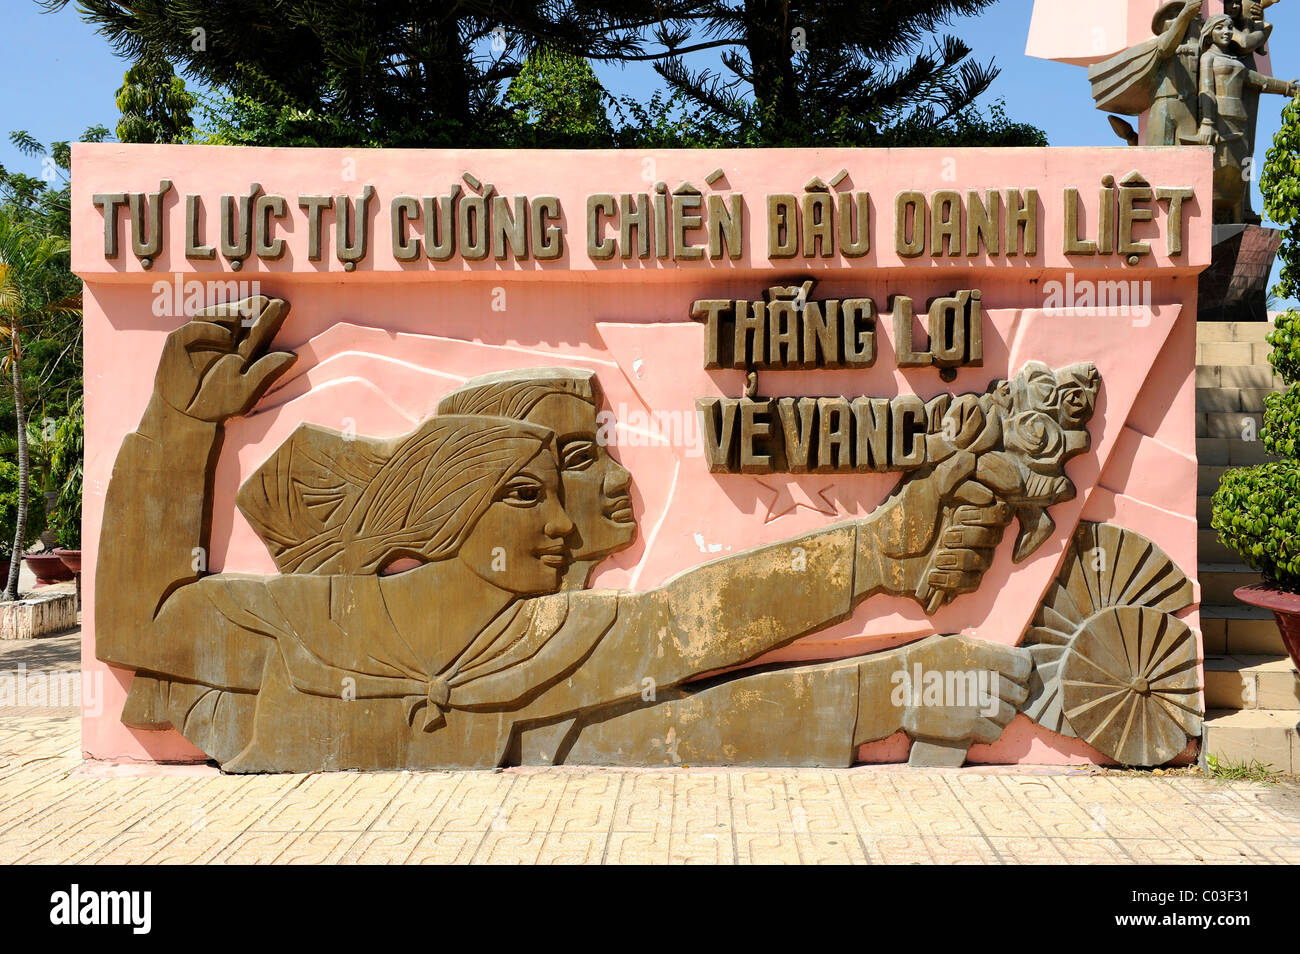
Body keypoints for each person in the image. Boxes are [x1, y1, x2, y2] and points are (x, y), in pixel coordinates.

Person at [98, 297, 1084, 772]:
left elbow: (691, 635)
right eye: (532, 495)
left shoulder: (554, 638)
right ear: (447, 517)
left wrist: (876, 562)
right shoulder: (303, 624)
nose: (575, 518)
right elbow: (138, 625)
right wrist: (180, 427)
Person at [1196, 13, 1299, 222]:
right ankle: (1215, 214)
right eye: (1219, 28)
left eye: (1229, 28)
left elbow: (1259, 81)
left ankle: (1238, 212)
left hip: (1241, 120)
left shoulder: (1237, 62)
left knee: (1243, 167)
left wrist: (1287, 88)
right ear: (1209, 33)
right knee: (1220, 168)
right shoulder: (1208, 57)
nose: (1226, 32)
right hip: (1220, 120)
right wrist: (1207, 122)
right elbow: (1205, 91)